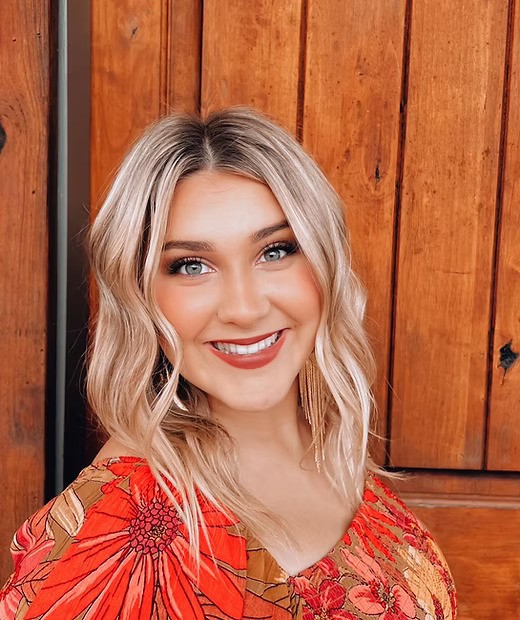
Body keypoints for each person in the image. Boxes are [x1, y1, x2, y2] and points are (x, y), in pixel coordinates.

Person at [0, 107, 457, 619]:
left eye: (275, 251)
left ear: (325, 260)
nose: (244, 308)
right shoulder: (125, 526)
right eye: (191, 265)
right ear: (140, 297)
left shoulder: (331, 443)